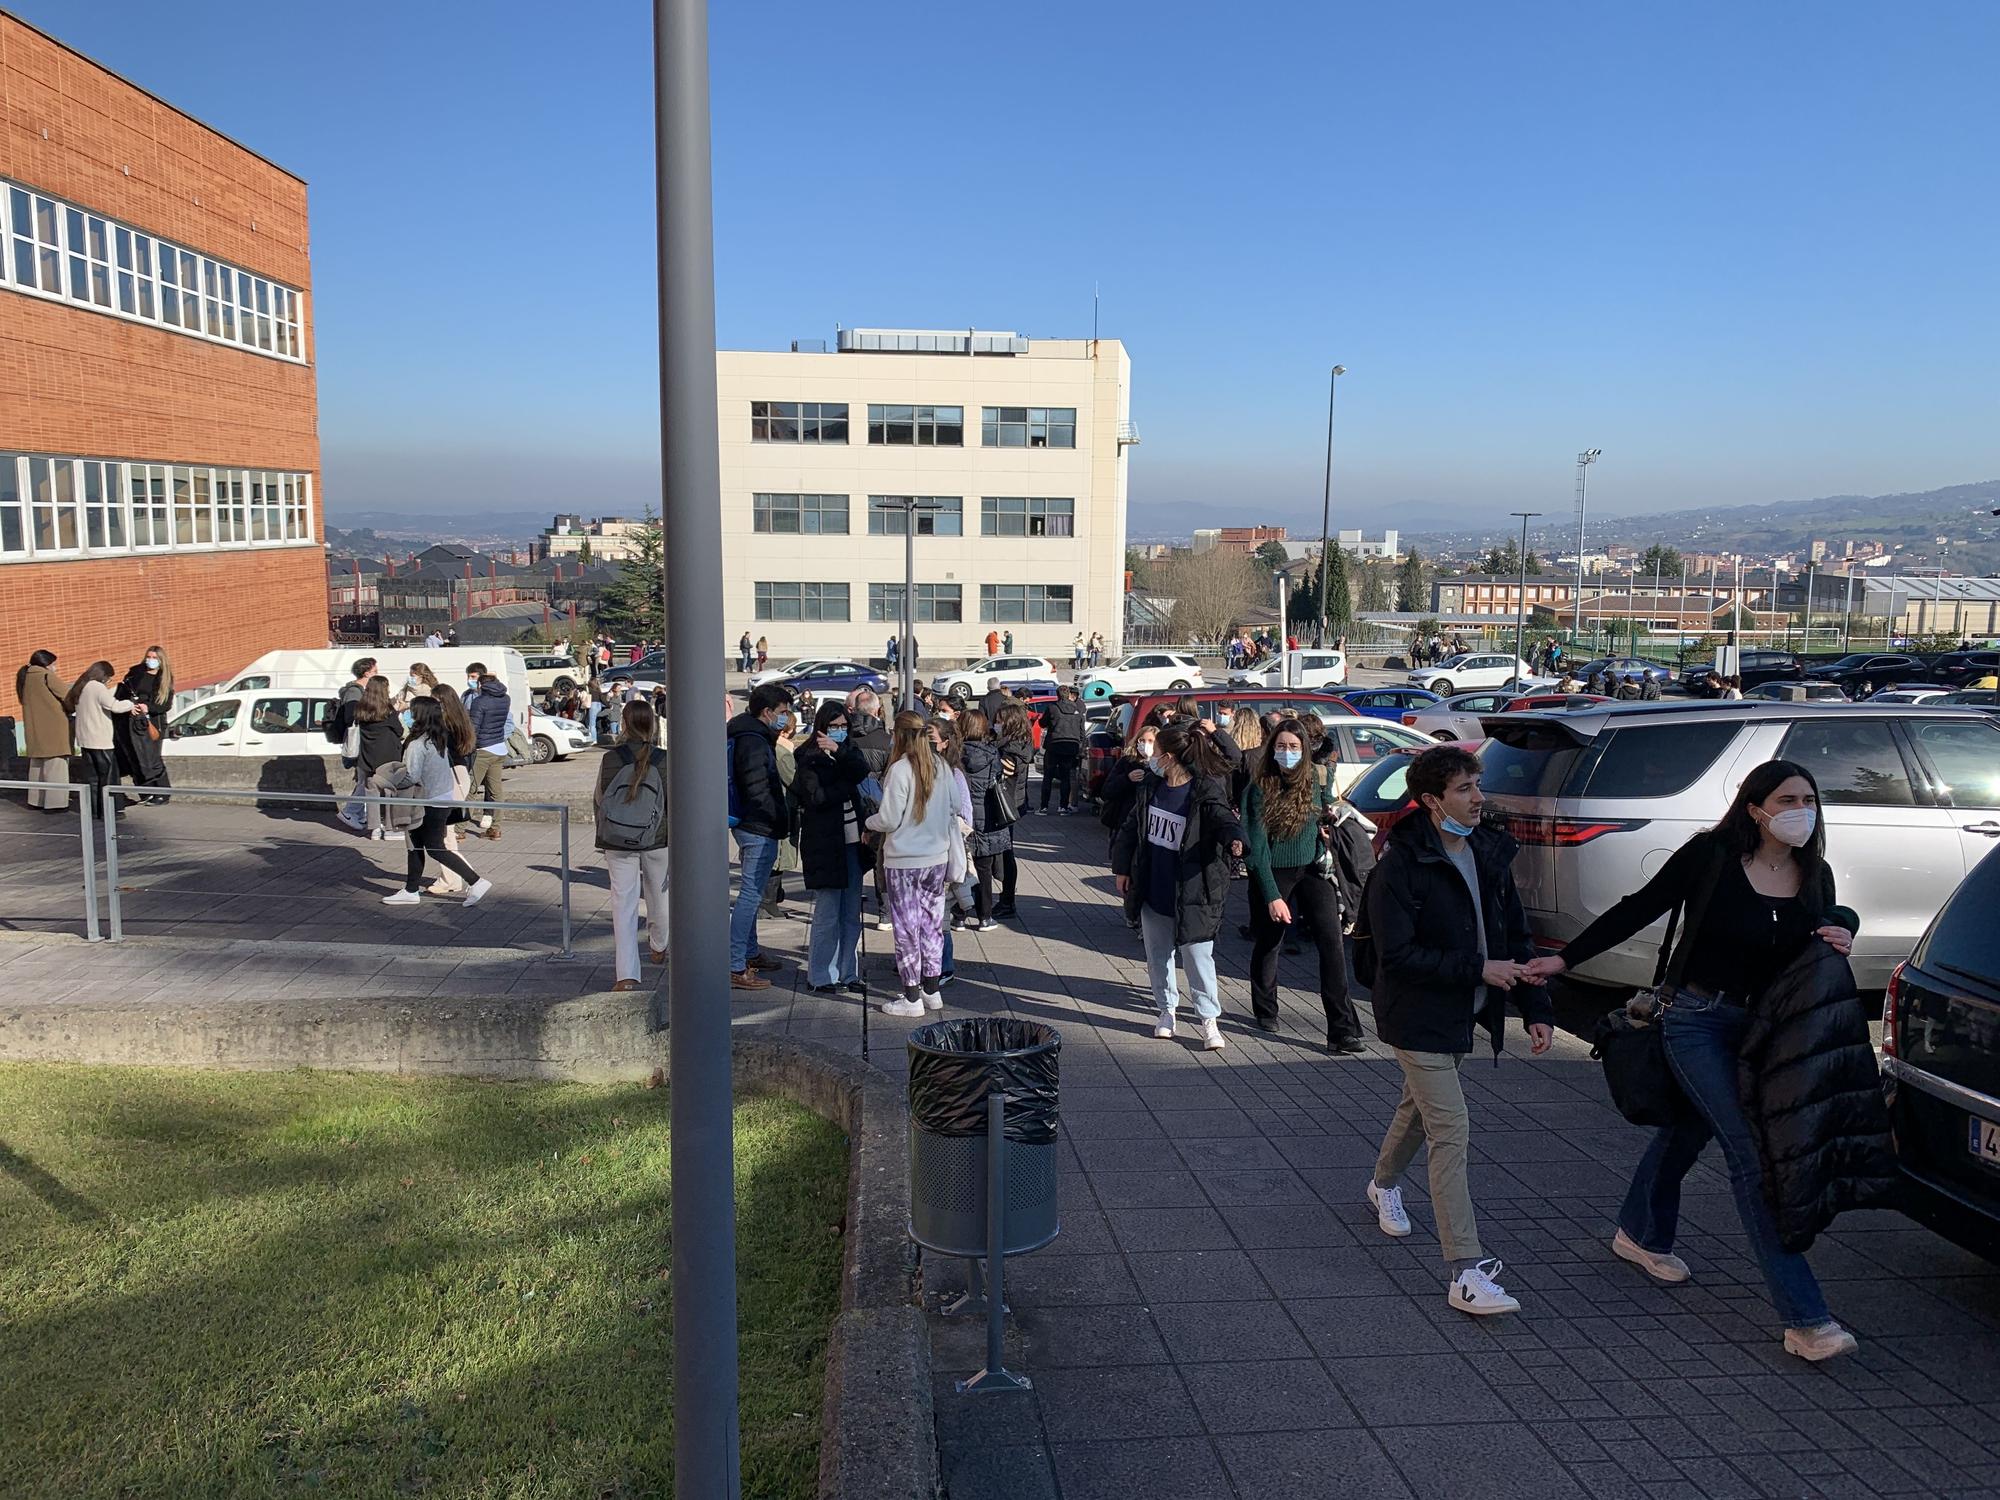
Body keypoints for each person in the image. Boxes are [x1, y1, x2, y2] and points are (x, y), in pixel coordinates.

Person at [1525, 760, 1868, 1362]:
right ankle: (1806, 1319)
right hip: (1695, 1019)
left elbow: (1826, 927)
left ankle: (1639, 1232)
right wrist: (1566, 959)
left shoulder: (1815, 872)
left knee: (1687, 1131)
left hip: (1763, 1032)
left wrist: (1843, 925)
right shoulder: (1711, 857)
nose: (1801, 811)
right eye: (1787, 798)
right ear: (1755, 806)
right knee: (1748, 1152)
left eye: (1809, 799)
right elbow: (1642, 905)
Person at [1363, 746, 1552, 1315]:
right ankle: (1465, 1272)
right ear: (1431, 801)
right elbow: (1395, 955)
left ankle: (1382, 1184)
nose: (1478, 798)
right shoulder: (1400, 864)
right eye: (1465, 788)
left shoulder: (1488, 849)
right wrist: (1478, 970)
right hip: (1415, 1015)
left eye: (1477, 785)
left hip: (1463, 1012)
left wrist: (1537, 1006)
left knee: (1418, 1110)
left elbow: (1514, 936)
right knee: (1451, 1129)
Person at [1113, 724, 1242, 1049]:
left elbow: (1223, 819)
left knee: (1199, 959)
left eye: (1155, 751)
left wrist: (1236, 840)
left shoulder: (1204, 790)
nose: (1151, 756)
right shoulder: (1151, 788)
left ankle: (1209, 1021)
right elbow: (1131, 828)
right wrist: (1122, 868)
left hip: (1194, 891)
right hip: (1154, 887)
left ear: (1168, 757)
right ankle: (1166, 1011)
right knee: (1158, 956)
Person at [1241, 719, 1366, 1053]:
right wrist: (1271, 896)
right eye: (1281, 746)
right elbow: (1256, 847)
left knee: (1332, 943)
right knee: (1270, 940)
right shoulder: (1259, 787)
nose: (1287, 753)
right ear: (1272, 749)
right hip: (1274, 871)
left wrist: (1328, 825)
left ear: (1305, 750)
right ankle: (1265, 1008)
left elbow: (1324, 811)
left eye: (1294, 747)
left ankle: (1341, 1029)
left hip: (1312, 869)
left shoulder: (1314, 778)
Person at [866, 709, 958, 1018]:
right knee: (932, 925)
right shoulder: (941, 766)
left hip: (904, 860)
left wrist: (869, 822)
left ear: (899, 736)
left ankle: (911, 996)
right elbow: (954, 807)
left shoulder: (901, 769)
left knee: (906, 928)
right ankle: (932, 990)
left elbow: (889, 818)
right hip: (936, 858)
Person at [381, 698, 491, 907]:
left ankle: (476, 881)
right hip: (442, 798)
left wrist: (390, 782)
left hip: (426, 801)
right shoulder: (436, 738)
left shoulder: (417, 743)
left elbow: (412, 775)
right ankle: (411, 889)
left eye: (411, 712)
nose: (408, 715)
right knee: (416, 845)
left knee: (432, 847)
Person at [593, 697, 669, 992]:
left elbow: (601, 798)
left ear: (623, 724)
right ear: (652, 724)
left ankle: (626, 975)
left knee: (622, 903)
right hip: (657, 838)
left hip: (617, 839)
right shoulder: (663, 758)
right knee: (659, 896)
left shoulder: (610, 758)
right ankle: (659, 945)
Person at [793, 700, 869, 995]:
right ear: (821, 727)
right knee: (827, 912)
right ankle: (820, 974)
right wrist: (846, 786)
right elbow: (816, 797)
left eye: (843, 727)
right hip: (825, 843)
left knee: (851, 913)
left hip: (852, 841)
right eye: (833, 727)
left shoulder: (848, 750)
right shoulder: (807, 756)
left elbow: (861, 769)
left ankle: (848, 972)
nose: (838, 731)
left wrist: (840, 752)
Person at [726, 683, 793, 990]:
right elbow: (756, 786)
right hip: (757, 826)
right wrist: (774, 816)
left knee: (751, 894)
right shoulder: (753, 740)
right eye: (783, 711)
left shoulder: (747, 733)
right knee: (751, 894)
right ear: (767, 712)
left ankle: (748, 953)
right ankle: (735, 964)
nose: (787, 717)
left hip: (751, 823)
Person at [66, 661, 137, 817]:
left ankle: (94, 811)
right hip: (100, 739)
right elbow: (115, 706)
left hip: (85, 739)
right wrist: (131, 704)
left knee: (91, 779)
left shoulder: (81, 687)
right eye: (109, 678)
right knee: (108, 778)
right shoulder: (97, 687)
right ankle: (109, 811)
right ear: (103, 675)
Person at [429, 683, 479, 894]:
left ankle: (461, 878)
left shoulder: (445, 727)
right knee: (445, 832)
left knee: (444, 834)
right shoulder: (462, 721)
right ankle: (450, 877)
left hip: (450, 776)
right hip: (460, 775)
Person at [113, 646, 174, 804]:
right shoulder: (136, 674)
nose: (150, 660)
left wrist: (148, 707)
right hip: (131, 719)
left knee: (152, 758)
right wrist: (129, 706)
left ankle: (162, 792)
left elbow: (165, 705)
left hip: (151, 722)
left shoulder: (164, 679)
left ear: (161, 661)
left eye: (154, 658)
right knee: (134, 756)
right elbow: (122, 693)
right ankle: (145, 792)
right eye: (149, 657)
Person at [989, 702, 1034, 919]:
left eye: (999, 721)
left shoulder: (1011, 748)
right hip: (1014, 802)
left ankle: (1007, 900)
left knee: (1005, 854)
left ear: (1009, 723)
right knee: (1006, 852)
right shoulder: (1018, 743)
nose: (995, 724)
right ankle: (1007, 898)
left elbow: (1002, 772)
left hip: (1006, 804)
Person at [17, 650, 71, 812]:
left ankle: (36, 800)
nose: (55, 667)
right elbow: (67, 695)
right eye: (53, 664)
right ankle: (55, 803)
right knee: (56, 766)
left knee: (37, 766)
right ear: (46, 664)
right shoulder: (46, 676)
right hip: (53, 727)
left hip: (34, 728)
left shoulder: (25, 677)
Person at [353, 677, 406, 841]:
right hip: (389, 757)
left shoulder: (361, 709)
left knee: (372, 794)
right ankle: (390, 828)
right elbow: (399, 731)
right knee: (390, 792)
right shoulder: (388, 710)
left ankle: (374, 828)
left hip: (368, 757)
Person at [330, 657, 379, 830]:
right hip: (359, 740)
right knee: (366, 779)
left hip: (362, 740)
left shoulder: (358, 690)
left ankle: (357, 812)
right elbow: (351, 716)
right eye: (375, 671)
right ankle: (351, 811)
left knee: (365, 779)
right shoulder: (355, 692)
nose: (377, 673)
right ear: (366, 672)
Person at [464, 664, 512, 841]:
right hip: (499, 747)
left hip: (483, 749)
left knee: (470, 789)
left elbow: (473, 728)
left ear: (481, 685)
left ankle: (460, 829)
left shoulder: (479, 701)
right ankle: (496, 828)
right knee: (496, 790)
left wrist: (467, 746)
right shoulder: (505, 698)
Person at [1039, 684, 1087, 814]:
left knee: (1048, 776)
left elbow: (1042, 723)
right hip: (1071, 746)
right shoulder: (1078, 709)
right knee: (1065, 777)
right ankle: (1063, 806)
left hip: (1054, 745)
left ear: (1058, 695)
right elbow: (1082, 731)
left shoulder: (1052, 708)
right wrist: (1080, 745)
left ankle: (1044, 807)